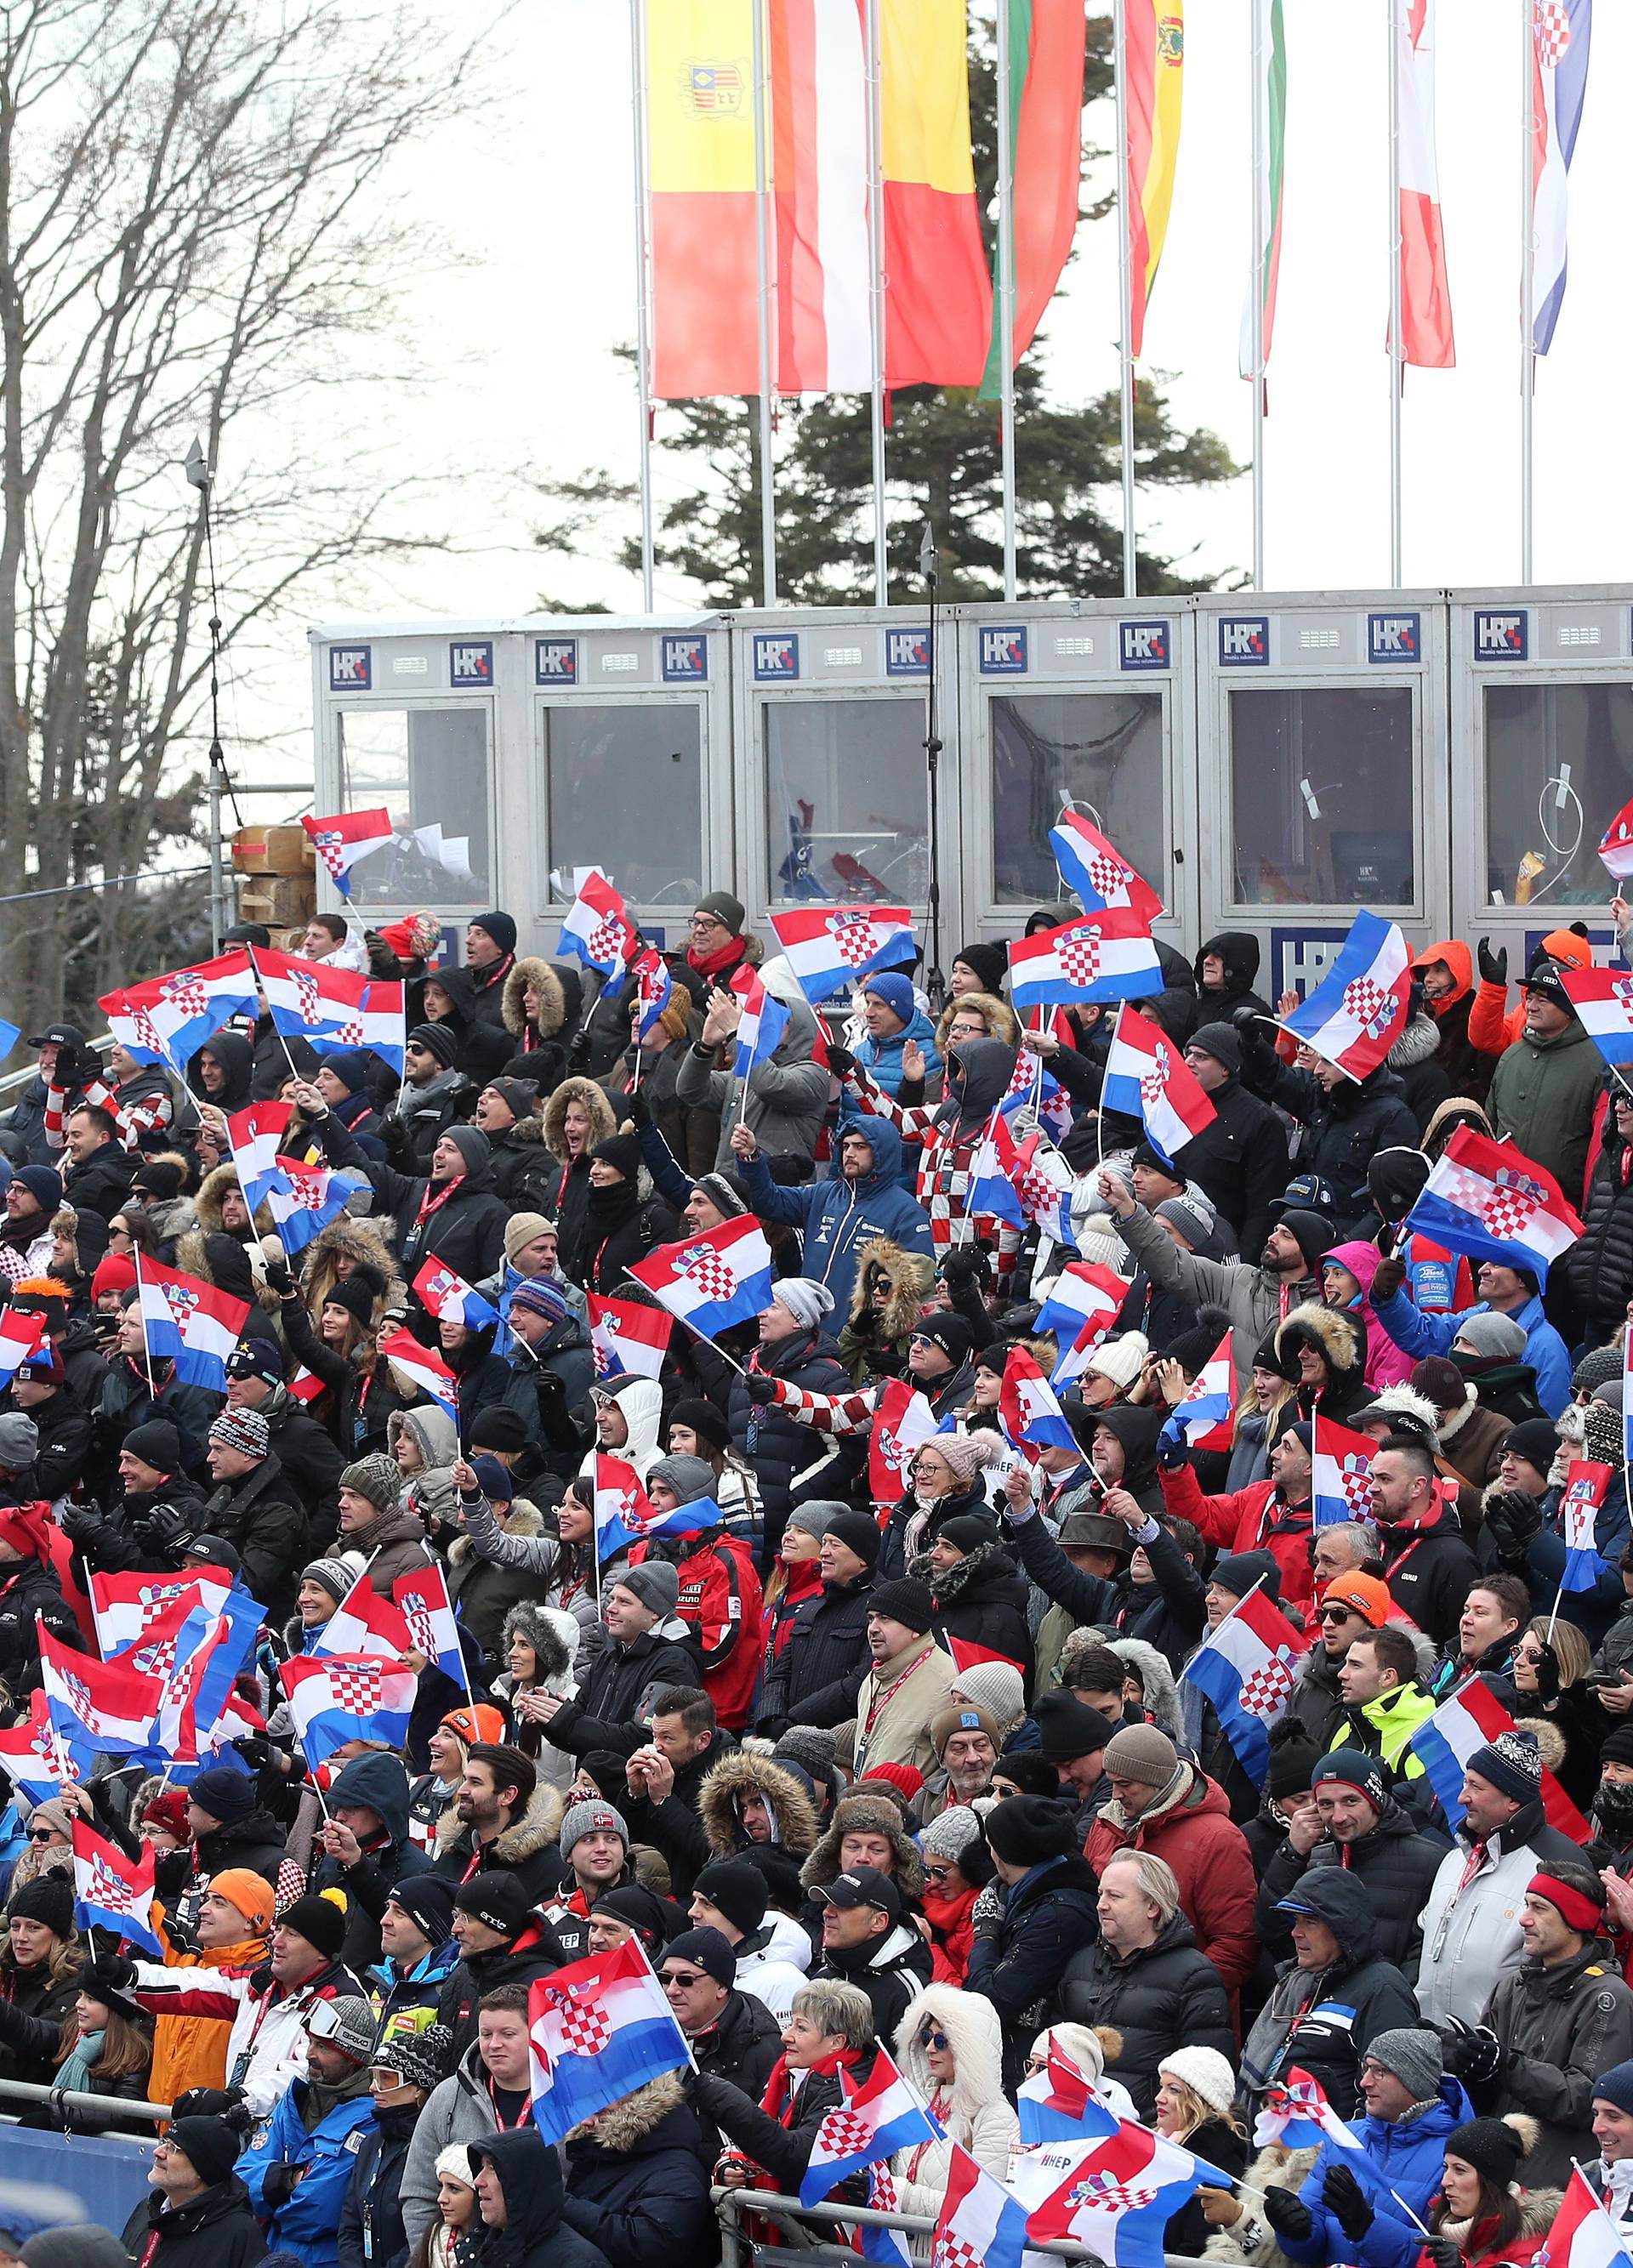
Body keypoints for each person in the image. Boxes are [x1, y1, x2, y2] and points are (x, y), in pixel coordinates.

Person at [1444, 1861, 1633, 2185]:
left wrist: (1506, 2065)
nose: (1524, 1919)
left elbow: (1586, 2099)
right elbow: (1491, 2086)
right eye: (1526, 1905)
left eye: (1539, 1908)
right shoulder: (1512, 1986)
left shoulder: (1608, 1997)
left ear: (1575, 1920)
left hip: (1556, 2186)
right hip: (1501, 2180)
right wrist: (1468, 2067)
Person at [1255, 2032, 1476, 2268]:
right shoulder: (1342, 2138)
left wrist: (1366, 2225)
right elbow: (1311, 2244)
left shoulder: (1454, 2155)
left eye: (1380, 2071)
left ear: (1413, 2078)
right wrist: (1294, 2228)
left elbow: (1444, 2254)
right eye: (1366, 2069)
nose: (1364, 2082)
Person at [1417, 1728, 1585, 2027]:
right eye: (1465, 1783)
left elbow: (1565, 1974)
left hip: (1501, 2059)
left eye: (1476, 1787)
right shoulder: (1455, 1859)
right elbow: (1421, 1941)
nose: (1461, 1796)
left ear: (1513, 1800)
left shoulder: (1555, 1867)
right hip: (1429, 2046)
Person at [1082, 1724, 1259, 2003]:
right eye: (1111, 1782)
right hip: (1101, 2004)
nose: (1114, 1795)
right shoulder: (1106, 1823)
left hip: (1183, 2022)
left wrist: (1174, 1998)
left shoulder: (1218, 1839)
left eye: (1125, 1784)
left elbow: (1236, 1946)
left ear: (1156, 1781)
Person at [1058, 1851, 1235, 2116]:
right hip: (1076, 2124)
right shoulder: (1080, 1964)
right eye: (1101, 1894)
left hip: (1149, 2138)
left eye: (1114, 1896)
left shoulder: (1195, 1976)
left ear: (1152, 1907)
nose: (1101, 1905)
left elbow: (1202, 2081)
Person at [1242, 1867, 1419, 2121]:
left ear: (1342, 1928)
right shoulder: (1294, 1983)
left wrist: (1344, 2151)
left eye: (1310, 1922)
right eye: (1295, 1921)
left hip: (1327, 2150)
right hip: (1272, 2142)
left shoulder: (1382, 1989)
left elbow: (1388, 2094)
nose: (1295, 1932)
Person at [1255, 1749, 1449, 1975]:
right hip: (1324, 2005)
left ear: (1374, 1801)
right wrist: (1291, 1853)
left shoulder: (1429, 1862)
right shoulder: (1317, 1859)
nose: (1338, 1817)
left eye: (1350, 1801)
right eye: (1326, 1804)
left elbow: (1427, 1955)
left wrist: (1385, 1999)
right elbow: (1270, 1930)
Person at [686, 1978, 878, 2203]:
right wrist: (730, 2165)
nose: (785, 2036)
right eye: (791, 2025)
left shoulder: (851, 2092)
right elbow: (750, 2146)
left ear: (836, 2042)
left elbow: (796, 2156)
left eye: (801, 2028)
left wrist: (722, 2099)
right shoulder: (797, 2075)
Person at [964, 1794, 1101, 2088]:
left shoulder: (1059, 1914)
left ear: (1004, 1852)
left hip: (1030, 2070)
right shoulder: (1026, 1893)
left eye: (991, 1846)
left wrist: (986, 1931)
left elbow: (991, 2000)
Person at [238, 1995, 378, 2264]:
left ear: (353, 2058)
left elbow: (317, 2211)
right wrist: (288, 2179)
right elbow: (241, 2180)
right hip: (270, 2253)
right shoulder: (295, 2101)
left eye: (323, 2047)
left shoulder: (371, 2118)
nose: (309, 2054)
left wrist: (269, 2195)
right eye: (311, 2042)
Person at [400, 1987, 535, 2257]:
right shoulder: (448, 2095)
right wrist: (431, 2257)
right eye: (486, 2034)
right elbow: (418, 2193)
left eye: (508, 2034)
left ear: (534, 2035)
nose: (494, 2044)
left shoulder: (566, 2097)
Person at [888, 1987, 1018, 2253]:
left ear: (969, 2048)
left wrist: (903, 2195)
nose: (928, 2048)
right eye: (926, 2036)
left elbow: (982, 2207)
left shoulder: (995, 2116)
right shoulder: (920, 2104)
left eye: (942, 2040)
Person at [790, 1579, 955, 1781]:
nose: (873, 1628)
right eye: (870, 1618)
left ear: (915, 1628)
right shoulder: (873, 1679)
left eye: (885, 1619)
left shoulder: (946, 1681)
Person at [557, 2065, 713, 2268]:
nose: (586, 2121)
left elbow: (649, 2246)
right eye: (584, 2108)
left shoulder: (677, 2172)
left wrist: (562, 2206)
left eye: (600, 2111)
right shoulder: (599, 2154)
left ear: (635, 2102)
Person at [438, 1872, 566, 2061]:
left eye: (466, 1918)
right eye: (456, 1915)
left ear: (497, 1924)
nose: (455, 1928)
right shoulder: (461, 1976)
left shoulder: (545, 1985)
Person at [657, 1927, 782, 2118]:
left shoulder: (761, 2045)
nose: (671, 1990)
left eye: (685, 1980)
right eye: (665, 1978)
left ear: (722, 1987)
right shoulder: (652, 2026)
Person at [432, 1743, 568, 1903]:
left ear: (507, 1796)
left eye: (475, 1782)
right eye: (465, 1780)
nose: (462, 1790)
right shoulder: (455, 1848)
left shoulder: (547, 1865)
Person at [1417, 2116, 1558, 2268]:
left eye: (1459, 2170)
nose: (1445, 2181)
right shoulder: (1442, 2227)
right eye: (1446, 2167)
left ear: (1490, 2181)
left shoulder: (1529, 2243)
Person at [127, 2112, 266, 2267]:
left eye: (173, 2148)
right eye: (164, 2141)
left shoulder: (239, 2234)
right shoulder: (147, 2210)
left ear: (203, 2169)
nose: (158, 2152)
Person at [808, 1867, 931, 2040]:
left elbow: (916, 2065)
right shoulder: (823, 1977)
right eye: (828, 1903)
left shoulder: (908, 1990)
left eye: (843, 1905)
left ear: (879, 1921)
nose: (827, 1912)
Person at [688, 1858, 811, 2026]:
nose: (692, 1912)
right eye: (694, 1901)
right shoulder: (697, 1964)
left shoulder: (783, 1982)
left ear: (738, 1914)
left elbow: (787, 2049)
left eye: (707, 1904)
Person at [1153, 2047, 1251, 2260]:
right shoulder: (1154, 2147)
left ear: (1200, 2101)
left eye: (1174, 2090)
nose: (1159, 2098)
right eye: (1162, 2087)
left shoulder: (1217, 2163)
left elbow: (1195, 2249)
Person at [469, 2129, 614, 2268]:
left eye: (493, 2169)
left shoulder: (579, 2263)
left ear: (525, 2180)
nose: (478, 2181)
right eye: (481, 2168)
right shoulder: (485, 2249)